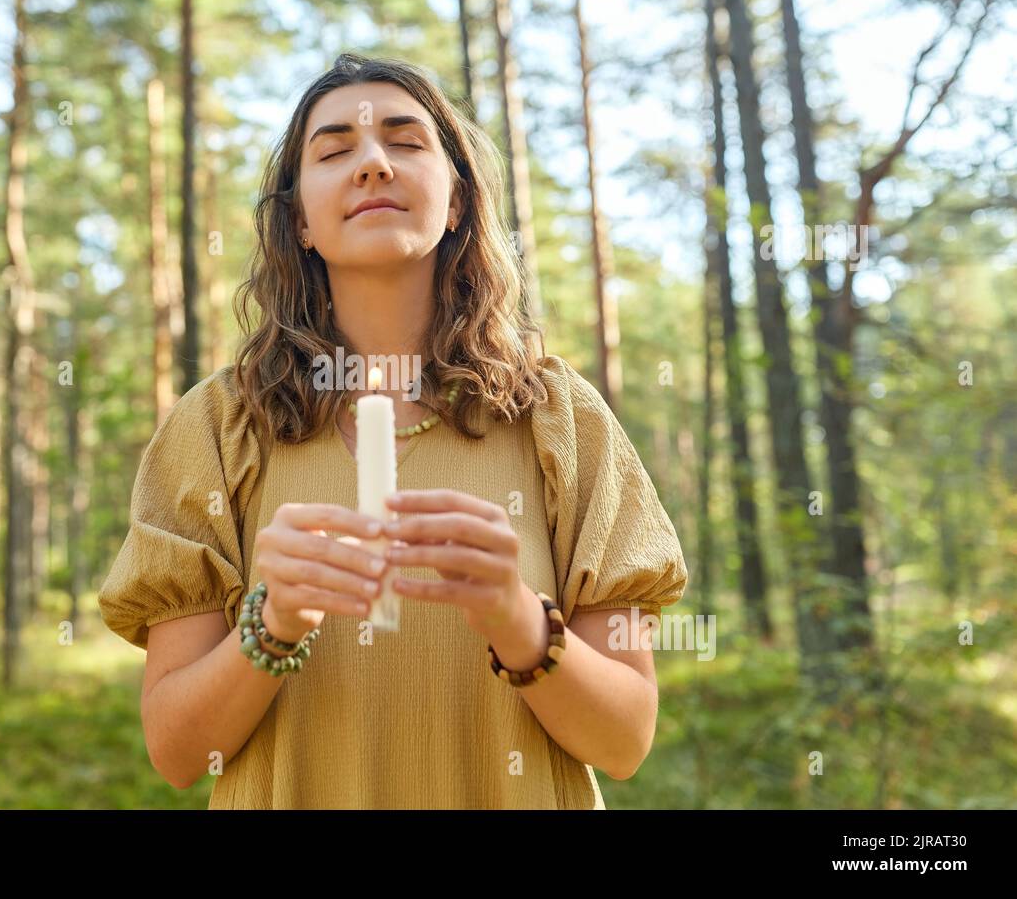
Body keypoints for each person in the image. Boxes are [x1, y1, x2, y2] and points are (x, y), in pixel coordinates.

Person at [99, 52, 689, 808]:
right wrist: (272, 621)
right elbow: (179, 753)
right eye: (336, 149)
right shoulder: (215, 426)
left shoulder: (561, 419)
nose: (373, 163)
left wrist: (516, 616)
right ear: (301, 223)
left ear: (455, 203)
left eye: (407, 142)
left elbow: (625, 741)